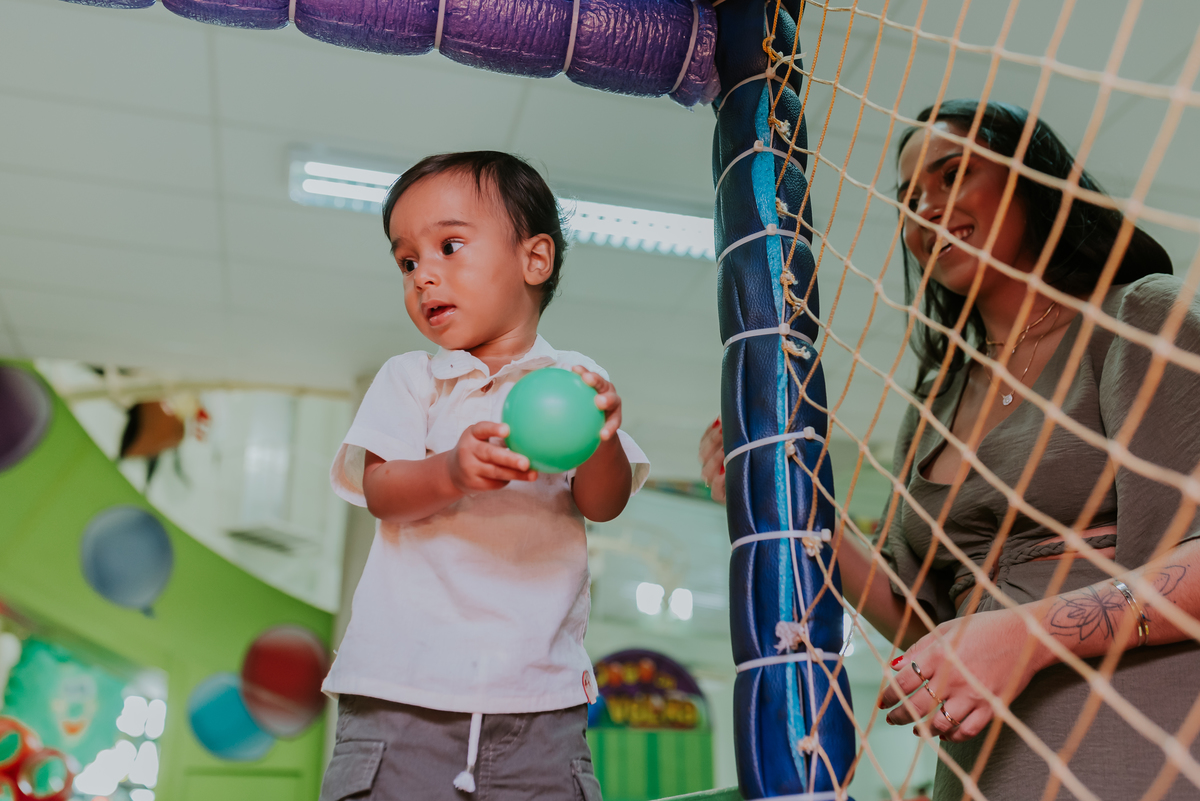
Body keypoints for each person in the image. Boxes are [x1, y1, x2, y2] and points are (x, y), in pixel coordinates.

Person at [700, 101, 1200, 800]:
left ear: (1032, 182)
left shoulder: (1137, 317)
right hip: (982, 763)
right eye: (909, 199)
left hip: (1132, 736)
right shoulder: (936, 402)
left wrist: (1026, 634)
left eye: (953, 175)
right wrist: (775, 486)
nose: (927, 208)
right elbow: (921, 616)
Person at [321, 151, 649, 801]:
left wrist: (602, 441)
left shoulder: (573, 380)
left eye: (449, 246)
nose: (423, 276)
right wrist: (452, 469)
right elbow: (382, 492)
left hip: (539, 707)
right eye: (407, 261)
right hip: (400, 699)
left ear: (535, 260)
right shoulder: (412, 378)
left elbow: (602, 502)